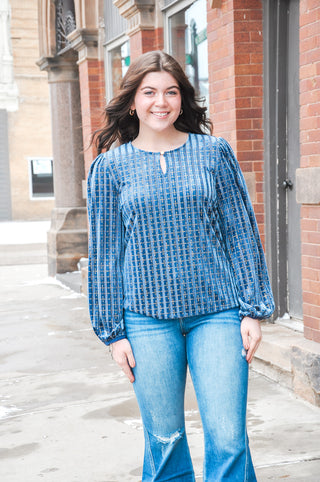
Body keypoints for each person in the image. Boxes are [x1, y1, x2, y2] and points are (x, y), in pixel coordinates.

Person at [87, 50, 275, 482]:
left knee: (228, 438)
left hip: (218, 314)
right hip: (146, 322)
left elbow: (240, 232)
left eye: (171, 92)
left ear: (183, 99)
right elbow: (106, 257)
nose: (161, 101)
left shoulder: (213, 152)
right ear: (132, 101)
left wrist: (251, 309)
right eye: (149, 91)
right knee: (165, 440)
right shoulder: (110, 168)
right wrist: (112, 332)